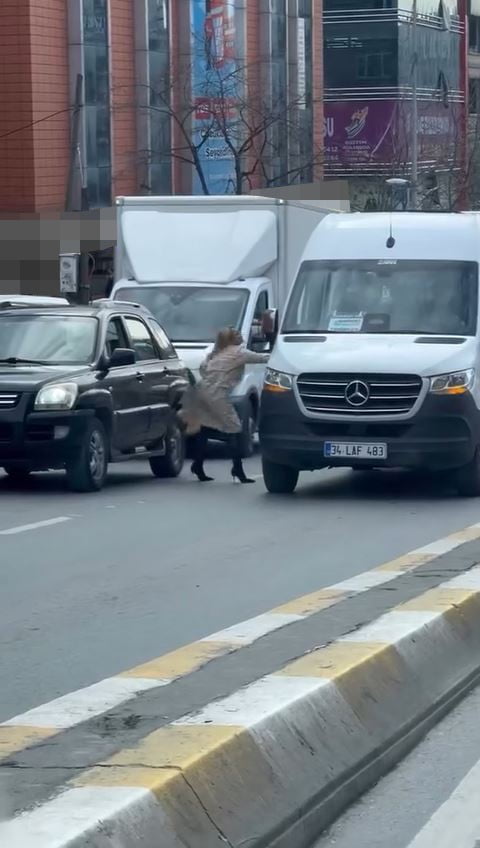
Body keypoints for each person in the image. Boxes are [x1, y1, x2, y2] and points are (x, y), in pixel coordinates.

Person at [180, 328, 270, 484]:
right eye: (236, 334)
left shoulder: (214, 354)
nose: (240, 335)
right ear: (230, 340)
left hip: (201, 391)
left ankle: (198, 465)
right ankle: (237, 469)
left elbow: (202, 370)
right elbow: (262, 358)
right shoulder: (239, 352)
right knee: (234, 428)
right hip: (217, 394)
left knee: (205, 428)